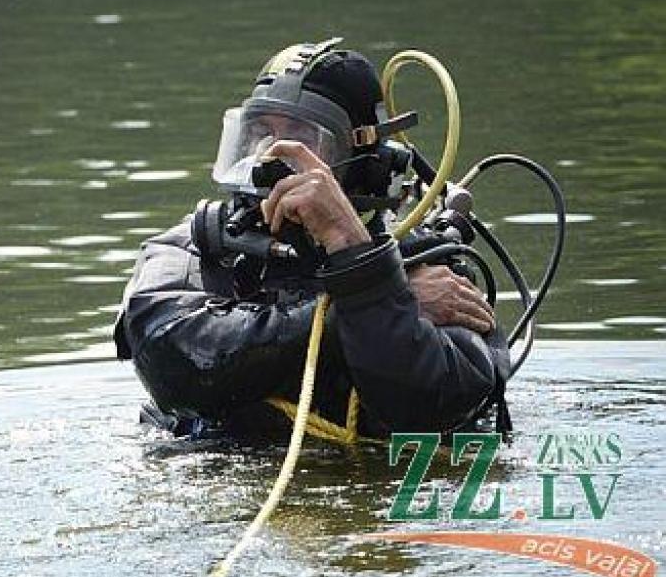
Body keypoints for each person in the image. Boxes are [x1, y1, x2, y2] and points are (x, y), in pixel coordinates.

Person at [113, 40, 511, 442]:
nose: (273, 155)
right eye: (260, 132)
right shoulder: (193, 248)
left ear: (365, 164)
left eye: (303, 137)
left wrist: (355, 254)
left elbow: (437, 406)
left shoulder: (431, 265)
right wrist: (365, 307)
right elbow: (177, 365)